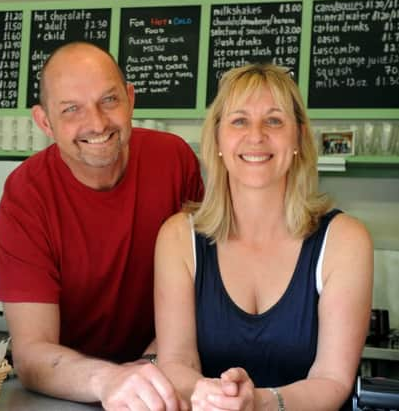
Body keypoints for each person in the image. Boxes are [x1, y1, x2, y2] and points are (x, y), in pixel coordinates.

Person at [0, 42, 204, 409]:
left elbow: (205, 289)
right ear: (45, 121)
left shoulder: (175, 161)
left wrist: (151, 367)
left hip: (167, 380)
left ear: (130, 99)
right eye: (71, 109)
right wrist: (111, 381)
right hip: (69, 391)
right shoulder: (25, 193)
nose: (96, 123)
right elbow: (31, 354)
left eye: (109, 100)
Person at [154, 64, 373, 410]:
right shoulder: (178, 238)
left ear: (299, 137)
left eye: (274, 120)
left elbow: (332, 379)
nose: (256, 136)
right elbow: (177, 361)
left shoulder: (346, 241)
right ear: (218, 139)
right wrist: (214, 395)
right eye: (239, 120)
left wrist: (261, 402)